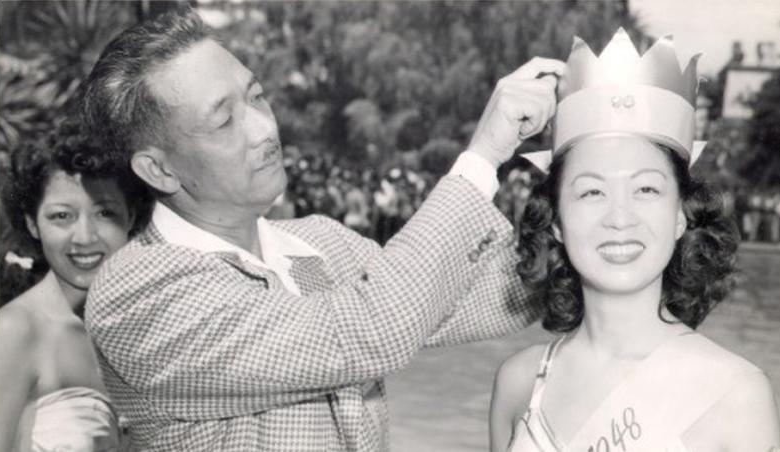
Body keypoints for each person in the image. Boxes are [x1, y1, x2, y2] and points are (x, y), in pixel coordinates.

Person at [80, 7, 564, 451]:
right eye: (226, 120)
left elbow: (482, 299)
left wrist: (593, 199)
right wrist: (483, 157)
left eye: (257, 97)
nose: (264, 129)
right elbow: (371, 331)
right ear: (159, 170)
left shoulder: (318, 243)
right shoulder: (137, 294)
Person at [489, 29, 780, 452]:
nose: (620, 218)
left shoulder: (738, 394)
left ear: (681, 215)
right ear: (555, 221)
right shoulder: (518, 383)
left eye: (646, 190)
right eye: (592, 192)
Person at [0, 123, 152, 451]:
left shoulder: (138, 332)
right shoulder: (14, 332)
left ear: (131, 216)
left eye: (105, 213)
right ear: (31, 224)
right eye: (62, 216)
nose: (84, 237)